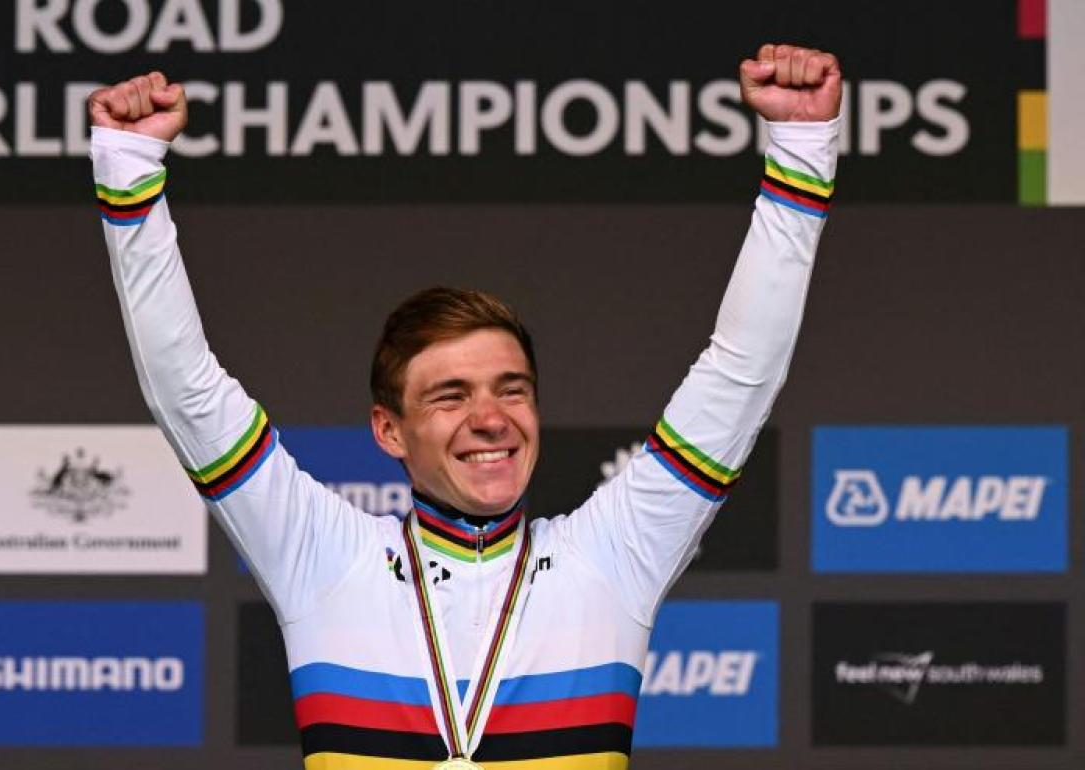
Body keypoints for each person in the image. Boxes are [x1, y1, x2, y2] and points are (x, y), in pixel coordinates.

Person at [89, 43, 841, 769]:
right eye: (450, 396)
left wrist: (802, 147)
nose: (491, 419)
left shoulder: (611, 558)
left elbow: (740, 374)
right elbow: (185, 386)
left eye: (511, 389)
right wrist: (129, 166)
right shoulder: (322, 557)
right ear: (389, 430)